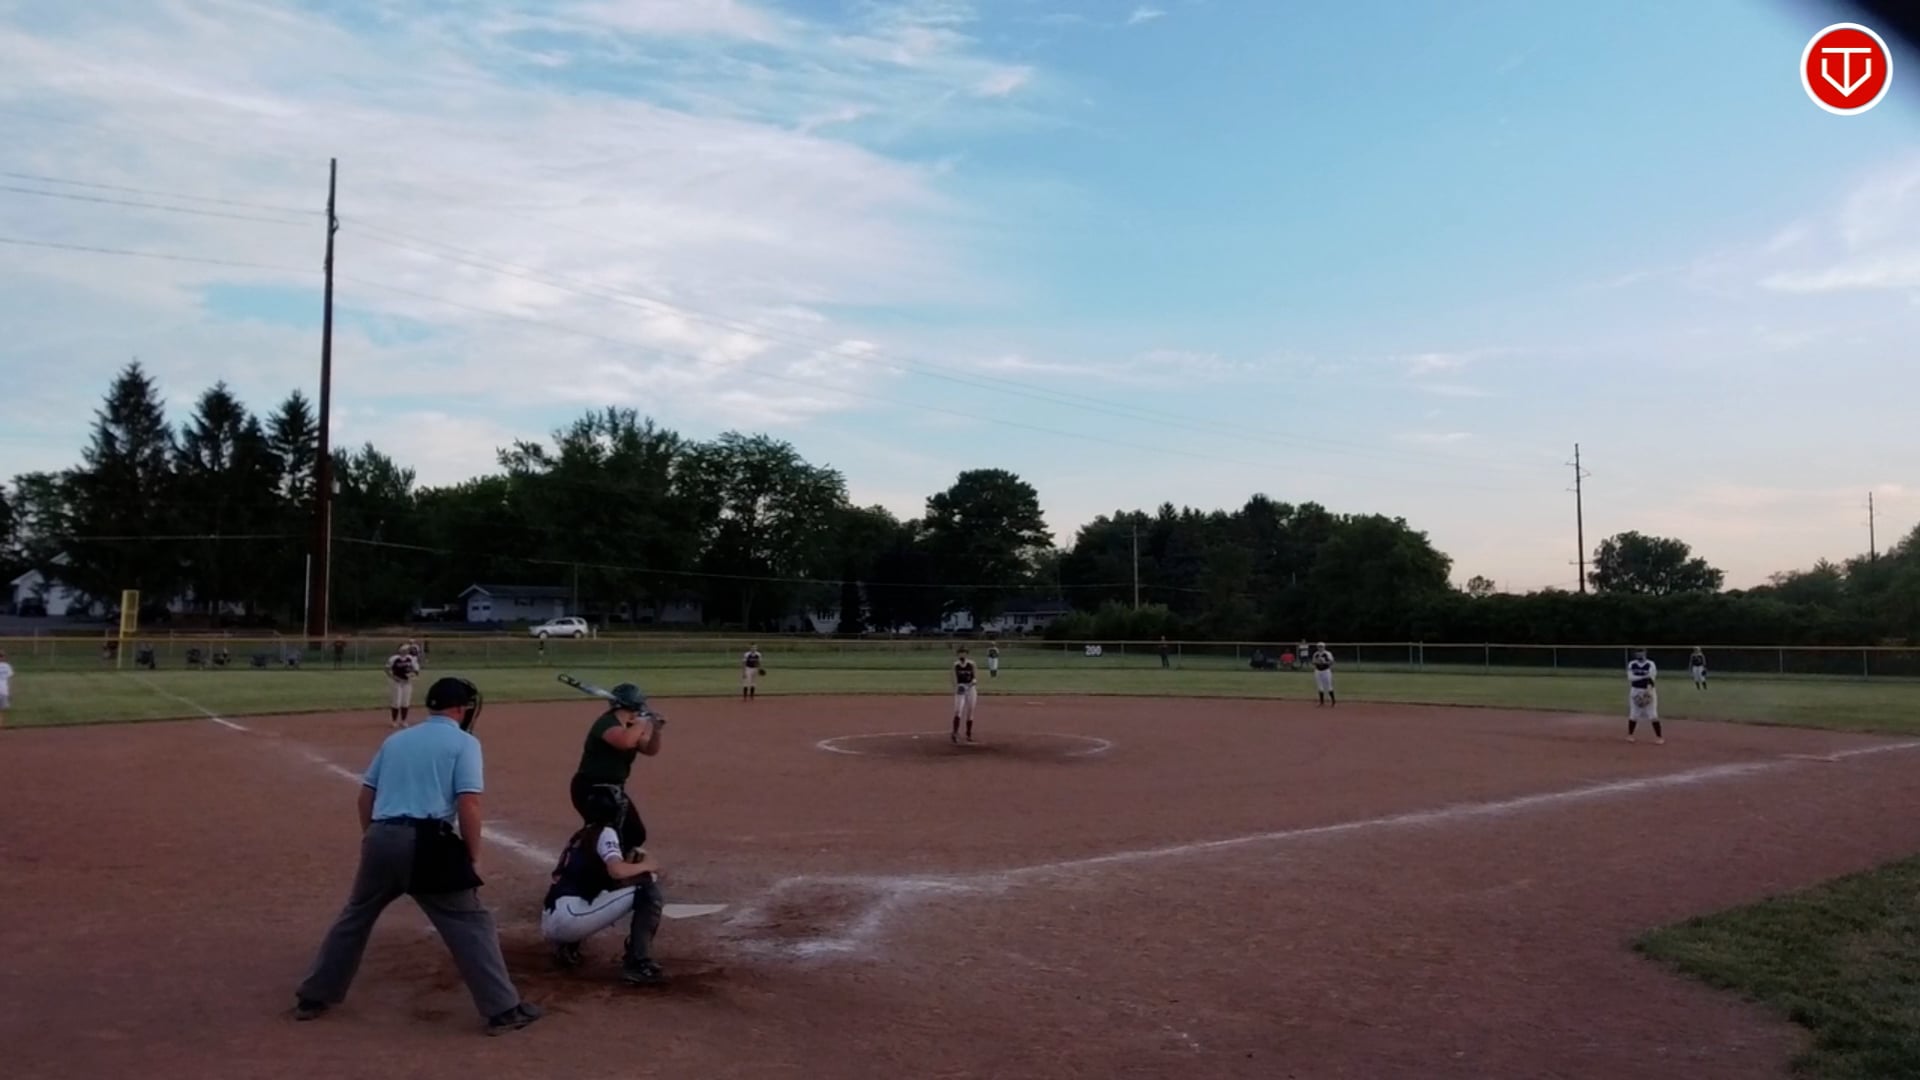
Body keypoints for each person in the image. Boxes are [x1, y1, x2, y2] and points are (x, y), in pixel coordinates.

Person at [292, 676, 542, 1036]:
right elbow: (469, 803)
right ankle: (503, 1009)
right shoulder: (464, 743)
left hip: (381, 835)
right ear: (462, 709)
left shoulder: (396, 740)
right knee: (469, 921)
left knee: (356, 916)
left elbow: (365, 797)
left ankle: (313, 997)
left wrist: (374, 838)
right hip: (428, 843)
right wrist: (472, 857)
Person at [541, 783, 669, 986]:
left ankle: (567, 948)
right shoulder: (606, 832)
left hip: (554, 917)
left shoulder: (582, 835)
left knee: (604, 887)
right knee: (646, 888)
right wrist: (647, 866)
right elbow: (616, 871)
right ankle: (638, 963)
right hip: (570, 919)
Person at [568, 682, 663, 855]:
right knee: (603, 831)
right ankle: (582, 862)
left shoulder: (630, 727)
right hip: (591, 789)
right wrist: (642, 722)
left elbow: (650, 750)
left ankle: (618, 863)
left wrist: (656, 730)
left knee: (634, 832)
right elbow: (625, 742)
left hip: (613, 790)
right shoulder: (606, 723)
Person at [1628, 648, 1663, 744]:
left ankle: (1659, 737)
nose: (1639, 655)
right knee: (1633, 714)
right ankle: (1630, 735)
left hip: (1648, 690)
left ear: (1645, 653)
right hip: (1635, 690)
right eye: (1637, 653)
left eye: (1641, 653)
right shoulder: (1632, 664)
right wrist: (1644, 676)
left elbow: (1651, 678)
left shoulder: (1651, 664)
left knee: (1653, 715)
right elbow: (1631, 678)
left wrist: (1648, 692)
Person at [386, 643, 421, 727]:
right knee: (396, 702)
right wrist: (393, 677)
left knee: (405, 702)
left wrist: (413, 675)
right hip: (396, 682)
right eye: (404, 649)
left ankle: (404, 721)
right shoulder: (394, 658)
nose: (406, 651)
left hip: (407, 682)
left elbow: (416, 670)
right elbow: (387, 669)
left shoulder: (410, 658)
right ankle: (394, 721)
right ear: (400, 650)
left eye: (407, 650)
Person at [952, 647, 979, 743]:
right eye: (960, 653)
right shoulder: (956, 665)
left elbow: (975, 677)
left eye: (963, 653)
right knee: (958, 710)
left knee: (970, 711)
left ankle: (968, 734)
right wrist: (957, 687)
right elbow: (954, 678)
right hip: (961, 689)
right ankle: (955, 733)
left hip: (971, 689)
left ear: (967, 654)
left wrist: (973, 681)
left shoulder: (972, 664)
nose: (962, 655)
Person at [1311, 642, 1336, 707]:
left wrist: (1324, 662)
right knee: (1319, 686)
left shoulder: (1327, 653)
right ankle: (1321, 702)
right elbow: (1313, 662)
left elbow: (1332, 662)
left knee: (1328, 686)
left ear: (1324, 647)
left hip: (1326, 671)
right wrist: (1317, 662)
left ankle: (1333, 701)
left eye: (1321, 646)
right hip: (1318, 671)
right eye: (1319, 646)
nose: (1320, 648)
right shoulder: (1316, 654)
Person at [0, 648, 13, 727]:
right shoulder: (7, 666)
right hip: (4, 691)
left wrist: (10, 692)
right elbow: (9, 679)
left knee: (2, 710)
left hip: (4, 691)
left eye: (1, 656)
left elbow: (9, 680)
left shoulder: (7, 666)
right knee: (1, 710)